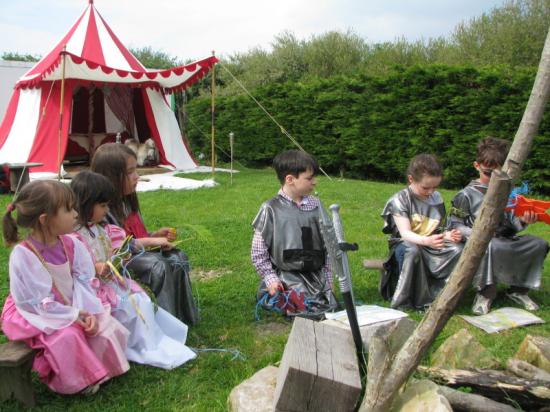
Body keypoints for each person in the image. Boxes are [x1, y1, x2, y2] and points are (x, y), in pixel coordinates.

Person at [0, 180, 129, 395]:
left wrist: (84, 311)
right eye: (68, 210)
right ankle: (79, 380)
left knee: (101, 322)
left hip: (69, 303)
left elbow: (83, 281)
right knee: (67, 336)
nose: (76, 214)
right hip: (35, 313)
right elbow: (36, 302)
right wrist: (73, 315)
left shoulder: (71, 244)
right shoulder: (24, 256)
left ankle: (101, 367)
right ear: (45, 219)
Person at [70, 171, 196, 369]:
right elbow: (77, 266)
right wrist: (97, 268)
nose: (106, 210)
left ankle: (149, 341)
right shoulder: (74, 236)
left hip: (110, 282)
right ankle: (135, 345)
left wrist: (118, 257)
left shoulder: (100, 229)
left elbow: (116, 247)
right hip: (91, 290)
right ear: (86, 203)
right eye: (102, 206)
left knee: (140, 300)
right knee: (128, 306)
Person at [90, 143, 198, 325]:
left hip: (139, 252)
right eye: (130, 172)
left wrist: (154, 235)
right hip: (121, 261)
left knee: (179, 257)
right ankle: (167, 324)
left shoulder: (127, 201)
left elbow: (135, 235)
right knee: (159, 266)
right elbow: (121, 246)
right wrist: (151, 240)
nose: (136, 176)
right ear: (112, 176)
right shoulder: (102, 209)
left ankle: (185, 317)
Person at [448, 137, 549, 315]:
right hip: (477, 240)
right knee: (490, 245)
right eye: (488, 173)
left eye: (498, 173)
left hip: (504, 238)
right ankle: (485, 293)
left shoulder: (507, 192)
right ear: (477, 166)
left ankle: (518, 290)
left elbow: (510, 226)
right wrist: (477, 234)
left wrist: (524, 220)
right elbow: (454, 224)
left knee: (539, 244)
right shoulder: (466, 195)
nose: (493, 179)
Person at [251, 149, 337, 318]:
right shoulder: (271, 209)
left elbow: (329, 248)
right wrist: (271, 279)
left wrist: (328, 280)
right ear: (290, 179)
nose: (315, 182)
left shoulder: (317, 206)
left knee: (327, 307)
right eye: (309, 178)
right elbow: (258, 253)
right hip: (285, 277)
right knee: (297, 306)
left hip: (316, 277)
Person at [380, 154, 463, 310]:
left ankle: (441, 296)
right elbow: (405, 234)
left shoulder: (436, 197)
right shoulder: (400, 200)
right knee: (413, 251)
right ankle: (406, 301)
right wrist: (427, 241)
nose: (431, 191)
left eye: (435, 187)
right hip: (404, 246)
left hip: (429, 243)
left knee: (457, 249)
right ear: (411, 179)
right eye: (426, 187)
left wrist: (447, 235)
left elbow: (437, 229)